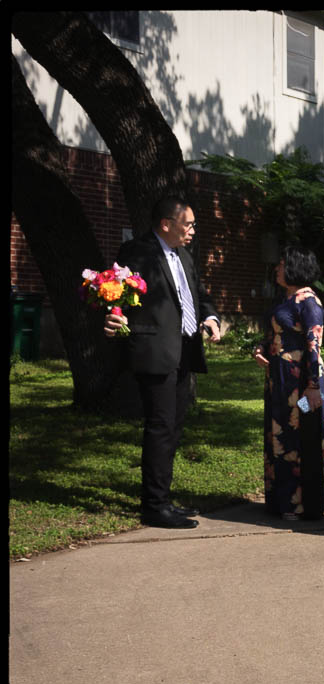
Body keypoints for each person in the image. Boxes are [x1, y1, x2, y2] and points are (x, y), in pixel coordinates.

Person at [104, 194, 223, 530]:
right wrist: (114, 317)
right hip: (155, 351)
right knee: (160, 426)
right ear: (167, 224)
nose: (193, 231)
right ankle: (154, 507)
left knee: (174, 425)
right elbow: (115, 290)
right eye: (189, 224)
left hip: (185, 350)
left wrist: (210, 318)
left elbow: (200, 296)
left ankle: (163, 498)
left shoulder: (184, 256)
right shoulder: (137, 252)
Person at [251, 246, 324, 520]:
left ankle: (301, 505)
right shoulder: (286, 300)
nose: (277, 269)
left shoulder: (309, 302)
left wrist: (313, 387)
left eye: (282, 264)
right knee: (279, 435)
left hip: (302, 382)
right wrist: (261, 349)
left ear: (296, 266)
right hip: (279, 381)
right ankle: (281, 501)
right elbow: (273, 333)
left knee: (301, 436)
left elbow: (313, 343)